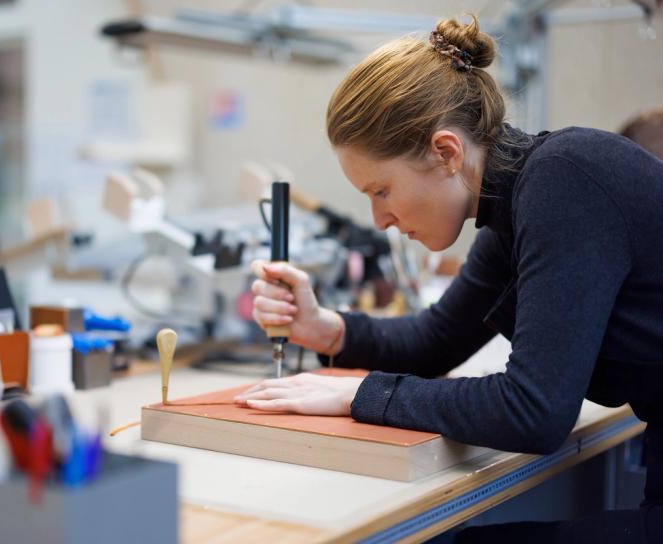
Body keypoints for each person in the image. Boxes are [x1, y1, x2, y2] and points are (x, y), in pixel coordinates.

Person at [235, 15, 663, 543]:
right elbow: (436, 340)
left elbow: (534, 412)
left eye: (381, 191)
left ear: (446, 152)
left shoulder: (563, 182)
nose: (380, 220)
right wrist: (326, 329)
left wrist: (360, 395)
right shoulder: (515, 204)